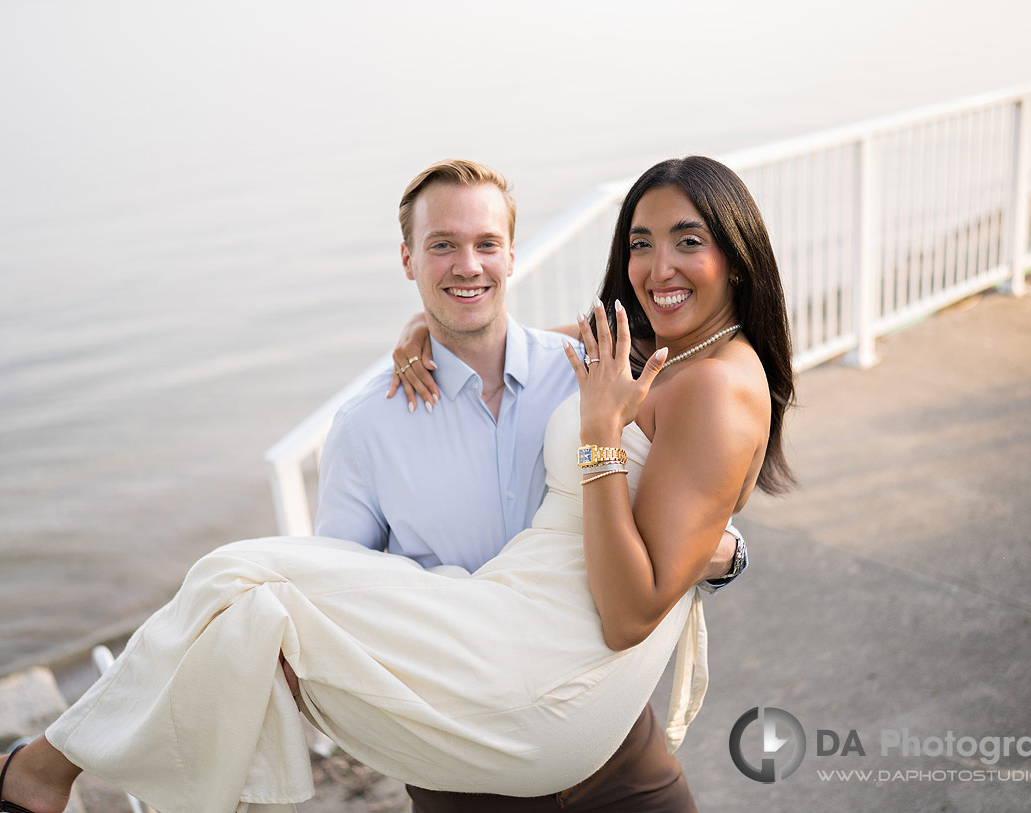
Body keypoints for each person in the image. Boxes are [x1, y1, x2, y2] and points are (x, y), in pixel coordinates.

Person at [0, 155, 795, 813]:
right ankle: (50, 770)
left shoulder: (669, 384)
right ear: (408, 259)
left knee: (232, 573)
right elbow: (346, 566)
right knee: (246, 600)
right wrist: (428, 329)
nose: (658, 265)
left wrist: (635, 472)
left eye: (689, 241)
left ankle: (43, 771)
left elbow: (636, 594)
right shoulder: (594, 359)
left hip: (583, 720)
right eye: (641, 243)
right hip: (466, 737)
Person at [311, 159, 747, 811]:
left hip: (615, 748)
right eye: (442, 246)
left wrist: (726, 553)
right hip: (465, 769)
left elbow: (690, 479)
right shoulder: (365, 428)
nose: (468, 265)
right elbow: (341, 601)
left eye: (486, 243)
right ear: (408, 260)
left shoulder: (590, 369)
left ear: (512, 254)